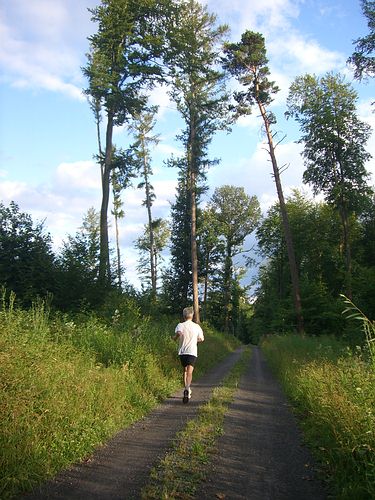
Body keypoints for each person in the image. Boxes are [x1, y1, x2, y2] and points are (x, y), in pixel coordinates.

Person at [173, 306, 204, 404]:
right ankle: (187, 389)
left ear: (184, 316)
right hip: (192, 351)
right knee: (190, 371)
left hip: (182, 352)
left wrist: (175, 338)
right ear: (192, 315)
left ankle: (186, 388)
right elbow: (201, 339)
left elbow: (178, 333)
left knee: (185, 370)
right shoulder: (196, 326)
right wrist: (195, 340)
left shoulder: (180, 325)